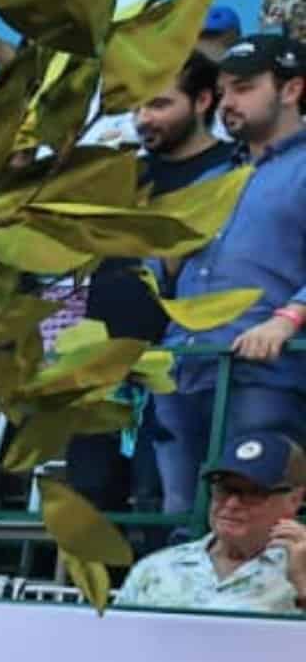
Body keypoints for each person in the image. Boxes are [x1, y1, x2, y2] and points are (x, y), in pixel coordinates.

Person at [151, 35, 306, 519]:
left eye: (243, 88)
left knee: (255, 518)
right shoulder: (210, 179)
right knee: (180, 516)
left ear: (292, 89)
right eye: (223, 90)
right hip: (184, 369)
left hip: (267, 373)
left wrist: (285, 321)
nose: (227, 103)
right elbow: (161, 268)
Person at [79, 53, 237, 516]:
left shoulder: (232, 173)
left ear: (204, 100)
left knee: (162, 508)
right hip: (99, 368)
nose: (143, 118)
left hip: (180, 374)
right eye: (137, 107)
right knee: (88, 502)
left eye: (159, 104)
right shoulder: (124, 174)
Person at [116, 431, 306, 614]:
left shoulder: (300, 567)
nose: (231, 504)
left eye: (253, 492)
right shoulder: (156, 567)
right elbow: (113, 640)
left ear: (294, 500)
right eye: (223, 489)